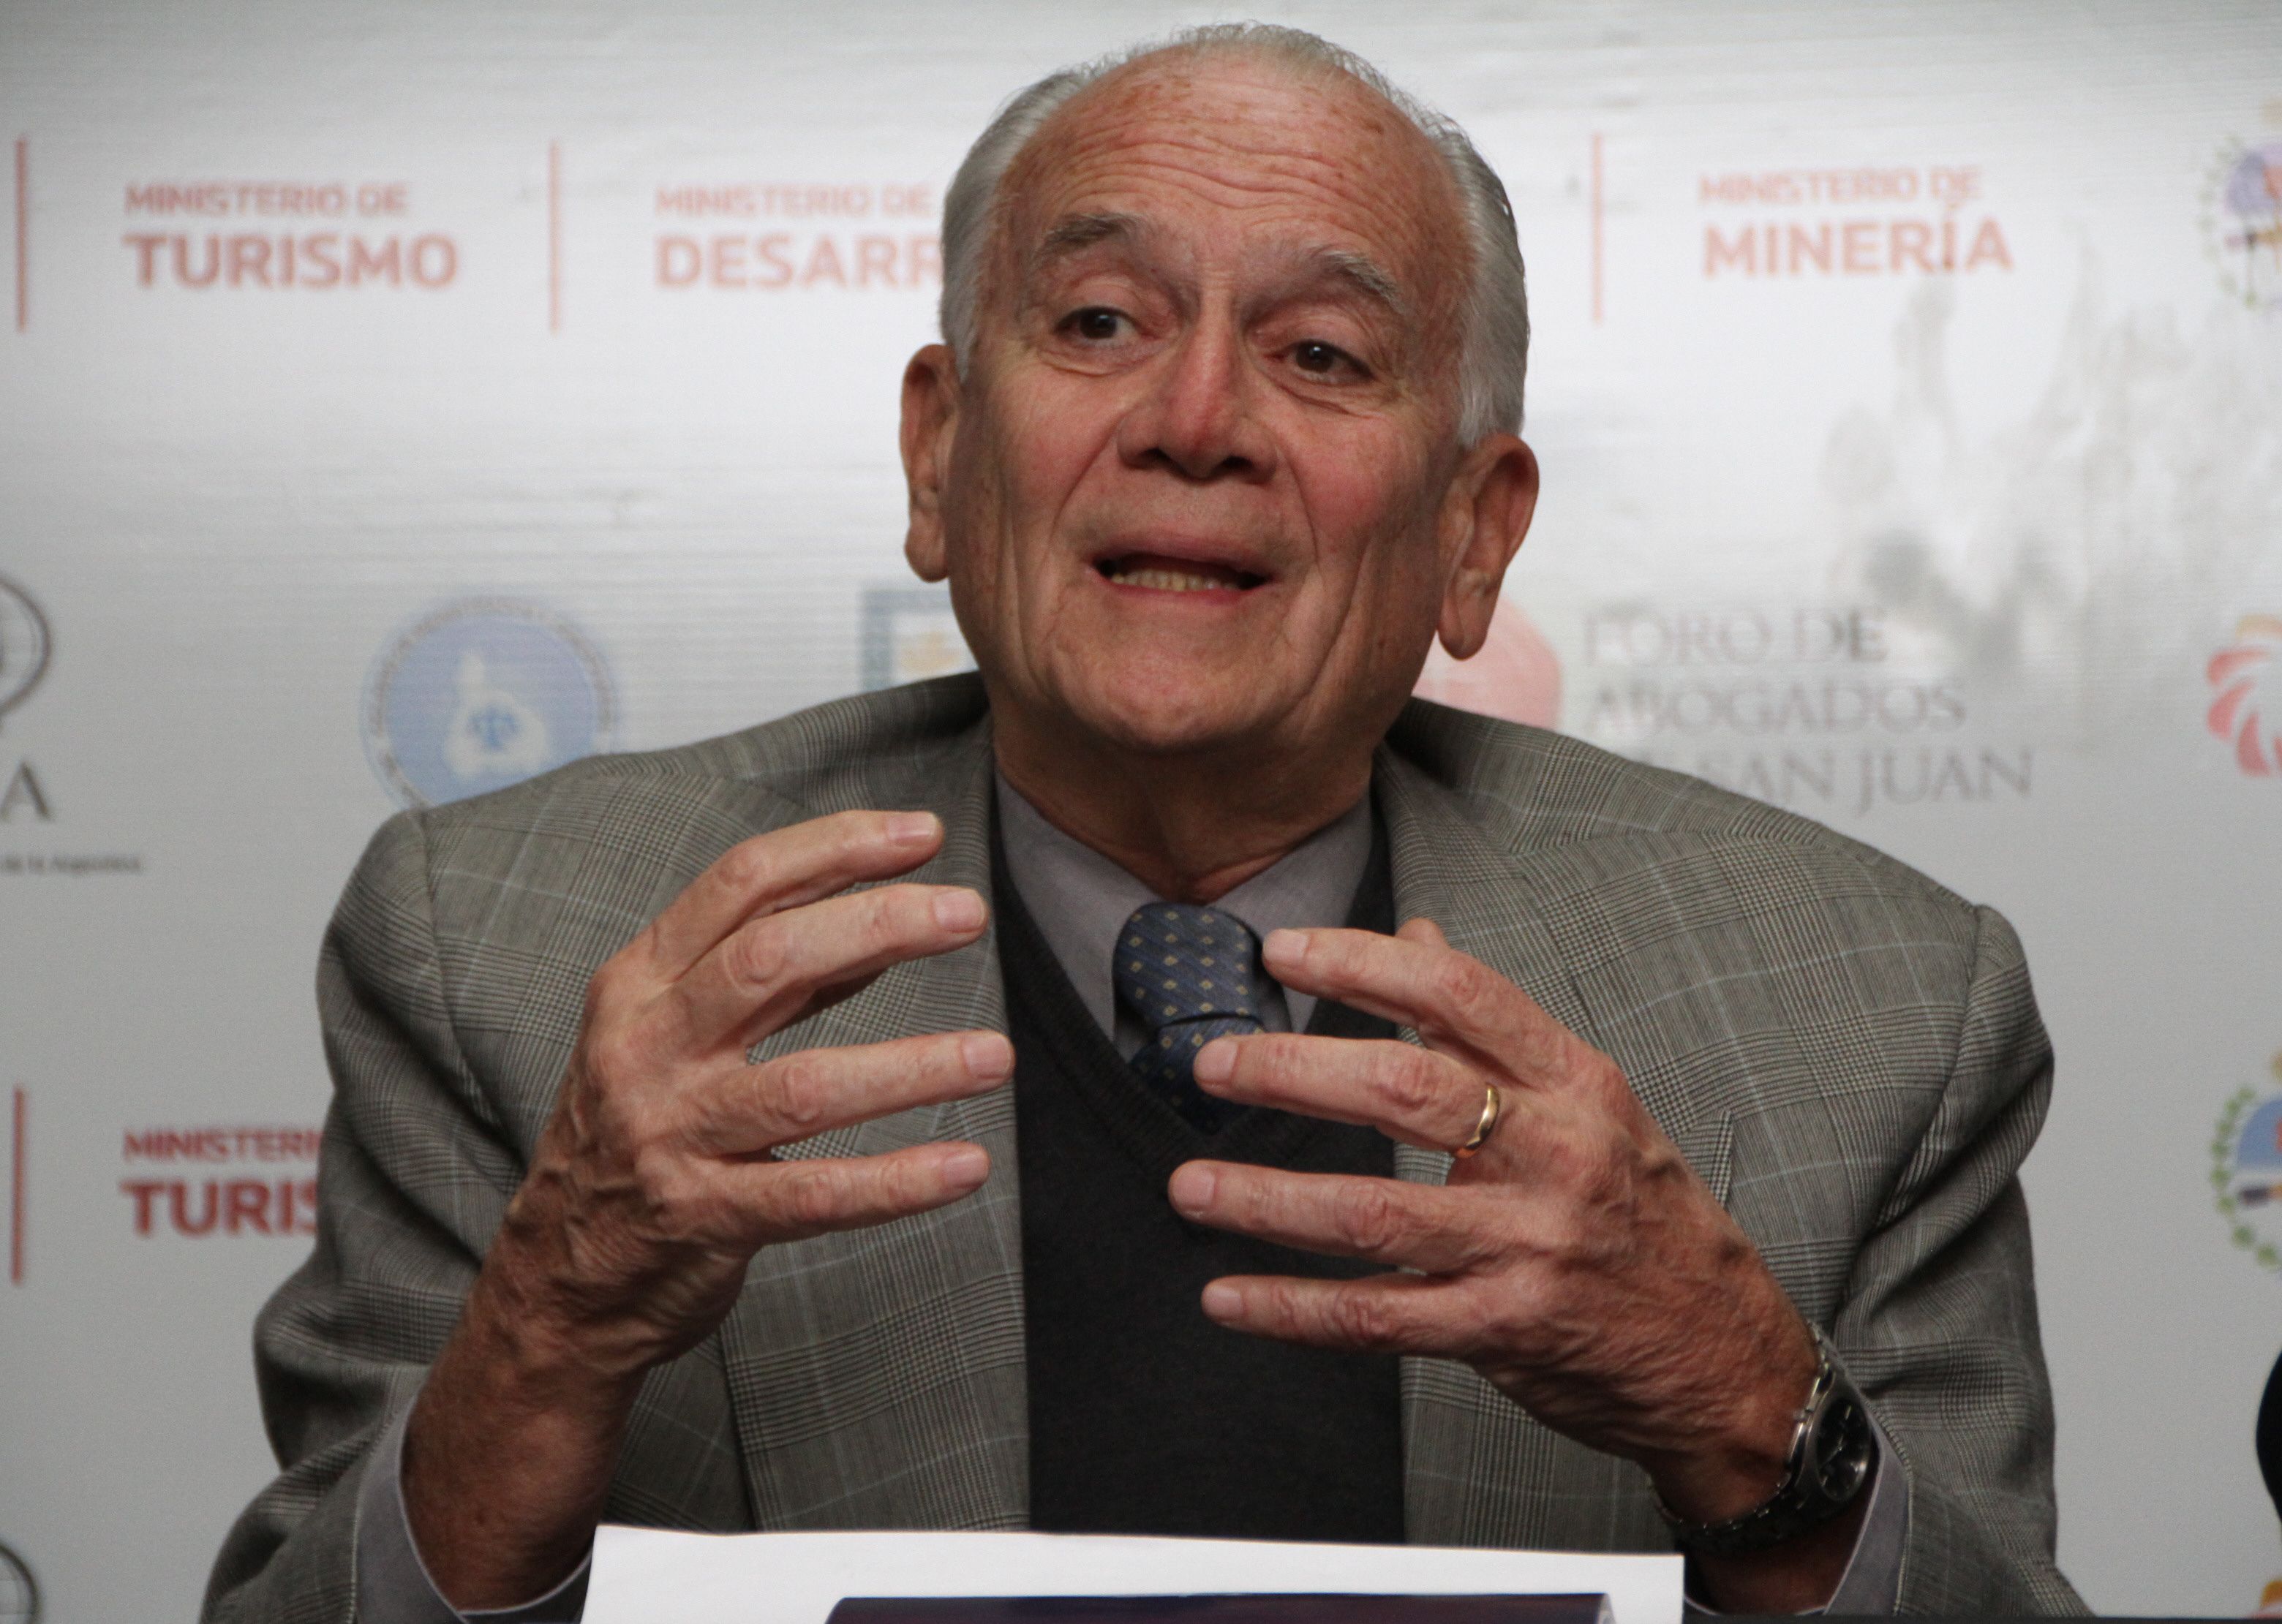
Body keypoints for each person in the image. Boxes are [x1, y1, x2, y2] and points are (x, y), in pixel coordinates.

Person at [205, 26, 2082, 1623]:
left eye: (1322, 355)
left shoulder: (1869, 1014)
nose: (1197, 419)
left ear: (1473, 532)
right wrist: (547, 1329)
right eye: (1101, 320)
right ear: (940, 452)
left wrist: (1749, 1403)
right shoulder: (512, 949)